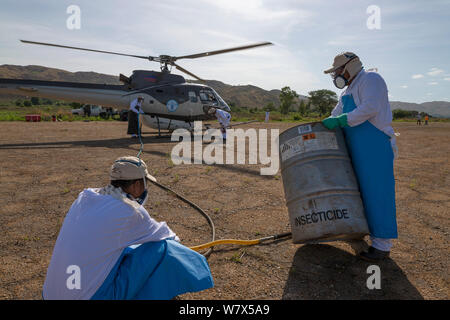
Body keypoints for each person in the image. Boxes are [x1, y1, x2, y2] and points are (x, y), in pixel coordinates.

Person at [42, 156, 214, 299]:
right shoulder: (129, 211)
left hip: (50, 294)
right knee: (163, 248)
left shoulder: (85, 196)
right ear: (137, 185)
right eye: (145, 183)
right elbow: (168, 237)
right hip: (88, 297)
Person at [322, 52, 398, 262]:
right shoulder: (348, 90)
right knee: (358, 193)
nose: (336, 75)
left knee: (377, 193)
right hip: (356, 148)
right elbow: (335, 114)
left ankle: (382, 246)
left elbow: (370, 108)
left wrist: (341, 120)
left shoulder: (371, 79)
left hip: (374, 147)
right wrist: (325, 123)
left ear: (350, 67)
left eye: (337, 70)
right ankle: (361, 230)